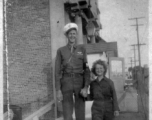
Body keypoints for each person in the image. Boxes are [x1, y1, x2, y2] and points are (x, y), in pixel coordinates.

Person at [55, 23, 90, 120]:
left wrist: (86, 87)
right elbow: (57, 71)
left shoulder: (82, 49)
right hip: (66, 81)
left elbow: (86, 69)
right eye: (70, 34)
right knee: (67, 110)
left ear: (76, 35)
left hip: (79, 80)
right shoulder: (61, 51)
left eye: (74, 33)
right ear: (66, 35)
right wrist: (58, 90)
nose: (72, 36)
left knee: (80, 110)